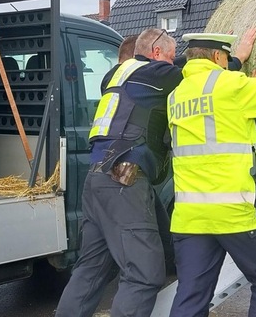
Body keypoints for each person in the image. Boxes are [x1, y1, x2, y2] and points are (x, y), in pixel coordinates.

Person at [167, 28, 256, 317]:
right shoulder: (230, 84)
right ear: (218, 55)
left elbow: (220, 123)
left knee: (191, 296)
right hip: (235, 212)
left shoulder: (176, 96)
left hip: (189, 217)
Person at [55, 28, 181, 317]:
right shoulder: (153, 74)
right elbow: (199, 73)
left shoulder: (114, 77)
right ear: (157, 54)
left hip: (98, 178)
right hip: (124, 180)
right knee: (144, 273)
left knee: (93, 268)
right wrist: (234, 60)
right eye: (172, 57)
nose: (174, 64)